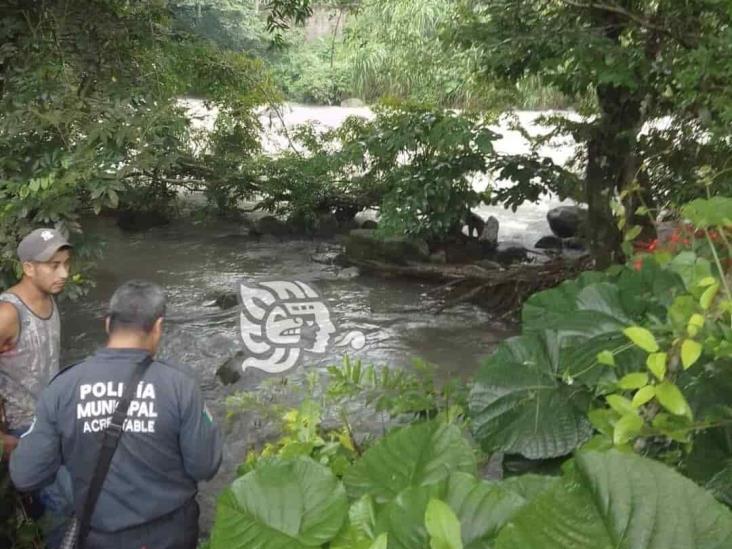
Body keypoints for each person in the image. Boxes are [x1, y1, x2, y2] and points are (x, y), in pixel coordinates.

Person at [9, 280, 223, 549]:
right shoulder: (180, 386)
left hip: (98, 536)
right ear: (158, 327)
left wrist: (74, 477)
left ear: (108, 323)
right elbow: (205, 465)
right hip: (169, 535)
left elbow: (26, 474)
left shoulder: (64, 387)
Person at [0, 228, 74, 547]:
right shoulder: (8, 313)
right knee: (63, 505)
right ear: (29, 268)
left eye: (67, 263)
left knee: (70, 499)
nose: (65, 273)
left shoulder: (49, 299)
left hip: (52, 421)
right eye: (54, 265)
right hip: (23, 431)